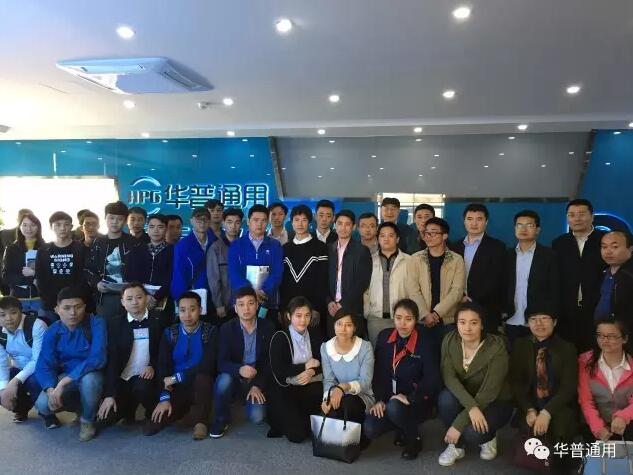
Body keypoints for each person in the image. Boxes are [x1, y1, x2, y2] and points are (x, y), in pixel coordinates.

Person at [437, 302, 513, 466]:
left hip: (494, 401)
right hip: (466, 398)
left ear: (482, 324)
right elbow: (449, 378)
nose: (467, 328)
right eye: (462, 322)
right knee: (445, 398)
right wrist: (471, 407)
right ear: (456, 324)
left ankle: (489, 437)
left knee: (473, 433)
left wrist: (458, 424)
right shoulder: (450, 340)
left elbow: (489, 392)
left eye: (474, 323)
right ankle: (456, 446)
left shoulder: (496, 346)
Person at [364, 299, 440, 460]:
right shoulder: (384, 337)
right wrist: (379, 400)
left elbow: (432, 380)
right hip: (389, 399)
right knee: (370, 428)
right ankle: (401, 426)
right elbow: (378, 373)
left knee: (395, 407)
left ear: (416, 320)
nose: (402, 323)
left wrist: (410, 397)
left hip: (416, 401)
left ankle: (414, 438)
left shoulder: (425, 342)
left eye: (408, 319)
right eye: (398, 318)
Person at [34, 287, 107, 441]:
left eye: (77, 307)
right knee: (43, 404)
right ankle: (80, 408)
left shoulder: (96, 323)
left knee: (90, 381)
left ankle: (87, 420)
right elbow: (44, 364)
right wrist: (51, 390)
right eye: (66, 308)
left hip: (92, 374)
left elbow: (97, 358)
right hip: (67, 376)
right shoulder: (53, 331)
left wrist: (63, 384)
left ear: (84, 307)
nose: (73, 313)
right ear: (57, 309)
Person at [144, 291, 217, 439]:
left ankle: (201, 422)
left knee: (203, 378)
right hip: (176, 387)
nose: (187, 315)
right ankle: (184, 410)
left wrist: (178, 377)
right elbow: (162, 366)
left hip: (200, 383)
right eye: (183, 310)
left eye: (192, 309)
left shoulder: (210, 331)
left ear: (200, 310)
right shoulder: (170, 333)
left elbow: (208, 364)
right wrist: (164, 397)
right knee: (153, 426)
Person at [509, 310, 578, 461]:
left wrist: (546, 413)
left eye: (544, 318)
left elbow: (568, 387)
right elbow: (516, 383)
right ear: (528, 323)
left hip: (557, 404)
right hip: (531, 404)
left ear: (554, 322)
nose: (539, 323)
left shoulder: (567, 348)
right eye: (533, 319)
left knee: (561, 432)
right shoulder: (521, 345)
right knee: (529, 439)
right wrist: (529, 409)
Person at [210, 286, 274, 438]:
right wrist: (239, 369)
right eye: (241, 304)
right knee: (223, 381)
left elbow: (269, 362)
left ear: (257, 305)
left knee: (257, 417)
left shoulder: (268, 327)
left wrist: (257, 385)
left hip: (256, 378)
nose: (246, 309)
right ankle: (221, 419)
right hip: (235, 376)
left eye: (250, 303)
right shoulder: (227, 328)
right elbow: (221, 363)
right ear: (235, 308)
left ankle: (248, 397)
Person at [97, 283, 162, 429]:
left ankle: (151, 413)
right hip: (123, 378)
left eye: (139, 297)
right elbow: (112, 360)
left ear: (146, 298)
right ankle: (128, 410)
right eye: (129, 299)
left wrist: (152, 366)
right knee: (105, 420)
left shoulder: (158, 321)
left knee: (142, 388)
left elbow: (163, 353)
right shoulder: (114, 324)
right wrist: (109, 394)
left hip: (146, 378)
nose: (134, 302)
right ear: (122, 302)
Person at [552, 199, 606, 352]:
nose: (576, 219)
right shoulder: (559, 243)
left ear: (592, 217)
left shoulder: (605, 240)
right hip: (567, 311)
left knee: (595, 351)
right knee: (568, 352)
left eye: (582, 214)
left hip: (597, 309)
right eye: (572, 215)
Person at [267, 296, 323, 442]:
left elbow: (323, 363)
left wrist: (311, 371)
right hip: (285, 389)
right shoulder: (280, 337)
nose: (303, 320)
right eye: (298, 316)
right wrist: (305, 366)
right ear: (288, 316)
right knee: (297, 435)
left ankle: (303, 418)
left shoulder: (315, 334)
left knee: (318, 391)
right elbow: (279, 371)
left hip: (307, 385)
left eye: (307, 315)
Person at [405, 217, 465, 349]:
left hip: (447, 320)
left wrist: (437, 313)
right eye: (426, 233)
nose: (428, 237)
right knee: (423, 356)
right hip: (422, 320)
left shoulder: (456, 259)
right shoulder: (415, 259)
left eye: (433, 233)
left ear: (445, 236)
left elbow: (457, 291)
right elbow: (413, 290)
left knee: (447, 356)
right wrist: (425, 314)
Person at [320, 309, 374, 449]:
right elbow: (329, 380)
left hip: (362, 395)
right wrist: (326, 398)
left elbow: (365, 382)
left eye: (348, 325)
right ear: (334, 325)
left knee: (348, 402)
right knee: (330, 406)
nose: (343, 329)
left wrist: (343, 387)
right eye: (339, 324)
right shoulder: (326, 348)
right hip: (338, 394)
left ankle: (357, 436)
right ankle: (343, 439)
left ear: (354, 328)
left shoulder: (365, 347)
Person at [504, 210, 560, 345]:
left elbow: (555, 289)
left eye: (529, 225)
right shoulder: (506, 255)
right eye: (519, 225)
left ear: (537, 230)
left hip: (538, 322)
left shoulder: (549, 256)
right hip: (511, 319)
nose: (523, 229)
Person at [451, 204, 506, 333]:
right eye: (470, 219)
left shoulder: (497, 247)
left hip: (487, 308)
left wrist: (473, 300)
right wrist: (460, 297)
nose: (474, 223)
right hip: (458, 306)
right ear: (464, 221)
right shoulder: (454, 247)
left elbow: (498, 279)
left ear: (486, 222)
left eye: (479, 219)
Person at [227, 204, 283, 325]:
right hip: (243, 302)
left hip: (268, 301)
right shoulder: (236, 245)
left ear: (267, 222)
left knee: (267, 332)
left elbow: (277, 273)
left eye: (263, 220)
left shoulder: (275, 245)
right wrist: (250, 292)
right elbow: (234, 273)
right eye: (256, 220)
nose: (259, 224)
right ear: (248, 221)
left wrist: (264, 291)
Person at [578, 319, 633, 441]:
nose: (604, 340)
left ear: (624, 339)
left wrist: (623, 417)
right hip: (594, 424)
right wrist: (598, 428)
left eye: (611, 336)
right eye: (600, 335)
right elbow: (585, 400)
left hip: (628, 423)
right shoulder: (585, 362)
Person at [84, 201, 140, 320]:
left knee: (130, 327)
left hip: (131, 296)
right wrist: (96, 283)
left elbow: (141, 268)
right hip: (105, 297)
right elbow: (89, 268)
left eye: (119, 219)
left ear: (125, 221)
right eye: (111, 218)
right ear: (105, 218)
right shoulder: (98, 243)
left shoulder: (133, 243)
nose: (115, 222)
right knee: (106, 327)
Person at [279, 205, 328, 332]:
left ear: (310, 222)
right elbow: (283, 282)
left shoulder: (320, 247)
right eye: (296, 220)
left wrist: (316, 308)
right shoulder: (285, 249)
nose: (300, 224)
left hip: (311, 311)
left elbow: (322, 281)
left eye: (304, 220)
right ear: (291, 222)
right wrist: (283, 308)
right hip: (290, 310)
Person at [0, 296, 47, 423]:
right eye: (2, 315)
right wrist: (3, 390)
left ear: (21, 311)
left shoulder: (36, 325)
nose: (8, 318)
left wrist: (15, 381)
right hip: (18, 368)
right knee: (1, 386)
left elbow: (38, 360)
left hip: (41, 368)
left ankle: (47, 414)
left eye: (13, 313)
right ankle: (21, 408)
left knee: (34, 384)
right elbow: (2, 364)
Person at [327, 210, 372, 338]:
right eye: (340, 223)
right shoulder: (328, 249)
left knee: (353, 345)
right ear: (335, 225)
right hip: (331, 309)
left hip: (352, 309)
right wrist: (329, 302)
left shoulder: (362, 250)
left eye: (347, 224)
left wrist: (342, 303)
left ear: (353, 227)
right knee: (332, 345)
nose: (343, 228)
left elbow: (362, 282)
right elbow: (323, 279)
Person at [35, 211, 87, 323]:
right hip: (51, 305)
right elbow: (40, 279)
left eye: (66, 224)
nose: (62, 228)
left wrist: (75, 303)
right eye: (58, 225)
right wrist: (53, 304)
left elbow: (83, 278)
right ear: (51, 227)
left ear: (71, 227)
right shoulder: (44, 250)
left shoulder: (81, 248)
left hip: (75, 305)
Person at [364, 222, 410, 345]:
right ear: (378, 239)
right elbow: (364, 289)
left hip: (402, 318)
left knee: (401, 352)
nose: (386, 239)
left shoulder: (409, 261)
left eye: (390, 235)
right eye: (382, 235)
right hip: (375, 318)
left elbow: (414, 289)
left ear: (397, 239)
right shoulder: (369, 260)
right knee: (377, 352)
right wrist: (367, 312)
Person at [125, 214, 174, 327]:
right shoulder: (137, 250)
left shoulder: (173, 251)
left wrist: (156, 297)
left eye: (160, 227)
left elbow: (173, 277)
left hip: (165, 299)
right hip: (139, 299)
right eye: (152, 227)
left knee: (162, 330)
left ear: (166, 229)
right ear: (147, 229)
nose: (156, 230)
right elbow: (130, 276)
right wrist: (144, 295)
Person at [170, 207, 216, 319]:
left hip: (213, 297)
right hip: (191, 296)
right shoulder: (182, 246)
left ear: (209, 221)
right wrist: (180, 299)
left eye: (205, 219)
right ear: (191, 221)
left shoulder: (215, 241)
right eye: (198, 219)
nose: (202, 222)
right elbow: (179, 274)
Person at [2, 212, 44, 312]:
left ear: (38, 227)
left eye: (32, 225)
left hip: (41, 298)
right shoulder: (11, 249)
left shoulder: (46, 248)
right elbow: (6, 276)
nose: (28, 228)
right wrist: (31, 279)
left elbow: (50, 274)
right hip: (18, 299)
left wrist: (34, 273)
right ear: (19, 227)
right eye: (25, 225)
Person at [207, 208, 243, 323]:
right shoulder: (215, 248)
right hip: (225, 306)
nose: (233, 226)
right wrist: (218, 304)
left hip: (244, 304)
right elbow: (213, 279)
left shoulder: (246, 247)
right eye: (229, 222)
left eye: (237, 222)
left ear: (241, 224)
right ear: (223, 223)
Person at [594, 231, 633, 326]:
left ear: (630, 249)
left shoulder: (629, 275)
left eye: (615, 247)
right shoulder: (603, 273)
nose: (608, 251)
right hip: (600, 330)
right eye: (604, 247)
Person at [1, 209, 33, 297]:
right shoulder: (3, 234)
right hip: (9, 282)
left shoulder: (40, 243)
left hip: (33, 288)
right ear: (18, 219)